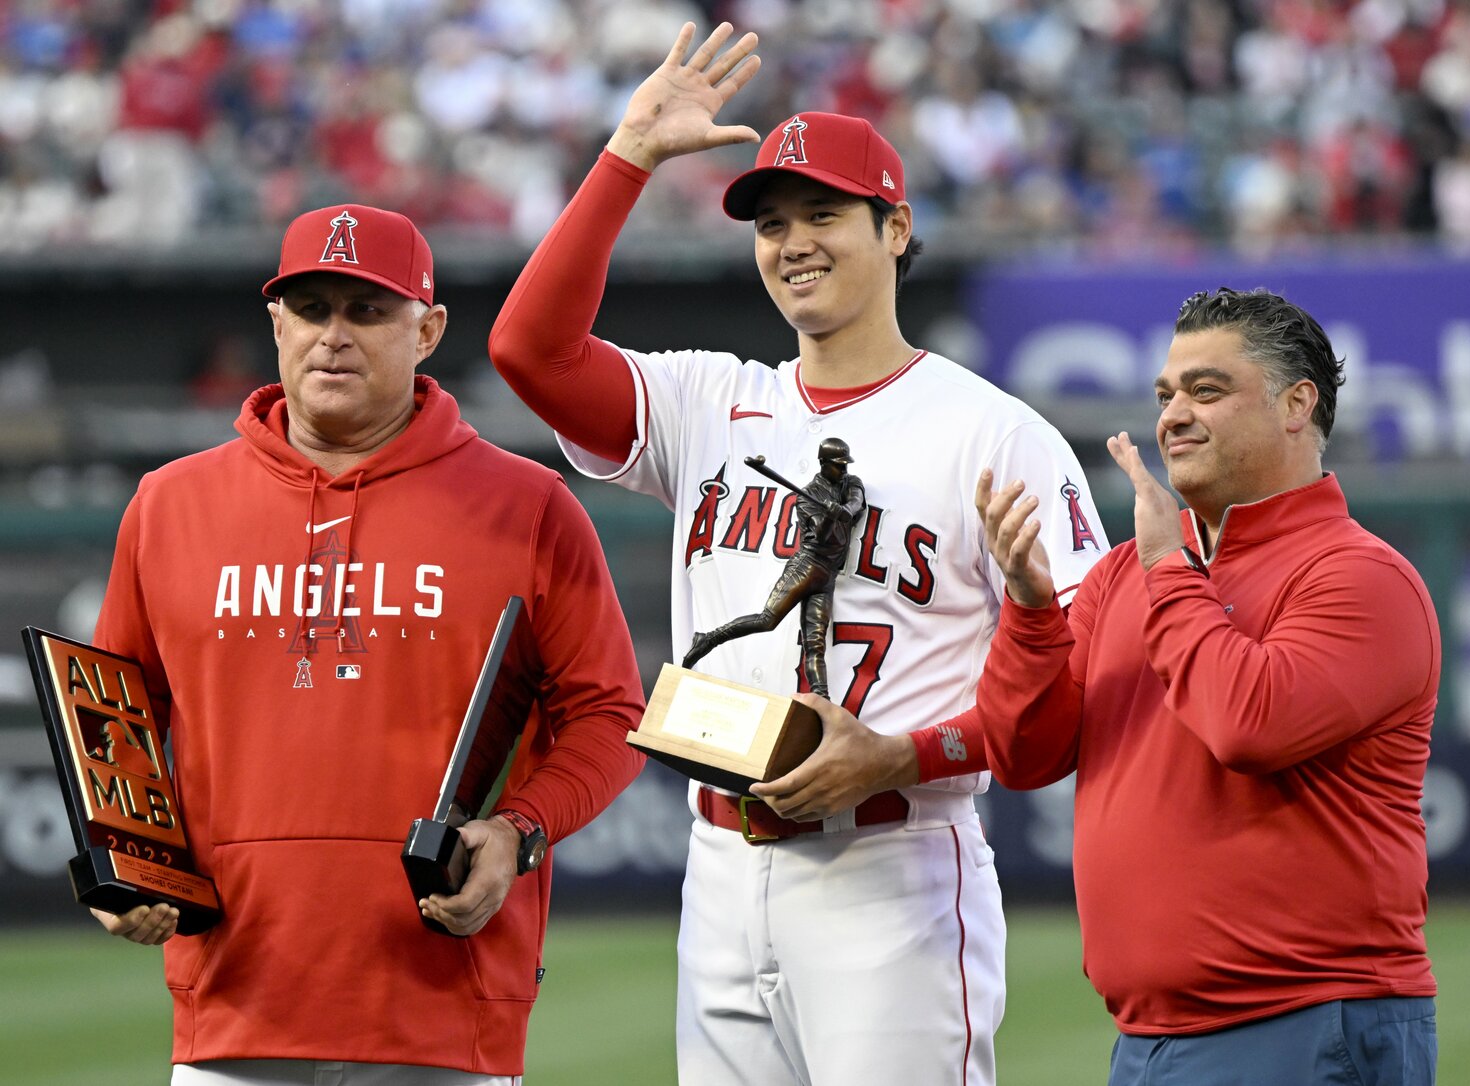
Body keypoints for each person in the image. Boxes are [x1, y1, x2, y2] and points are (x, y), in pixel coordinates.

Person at [488, 22, 1107, 1085]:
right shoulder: (712, 400)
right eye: (771, 224)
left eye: (824, 213)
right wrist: (627, 152)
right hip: (720, 862)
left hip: (895, 861)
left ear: (896, 227)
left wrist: (908, 754)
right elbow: (528, 350)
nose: (793, 243)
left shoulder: (993, 434)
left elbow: (1091, 676)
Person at [90, 202, 647, 1085]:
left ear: (427, 330)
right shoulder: (167, 505)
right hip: (235, 1000)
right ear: (276, 324)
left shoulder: (530, 505)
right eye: (311, 310)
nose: (334, 336)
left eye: (368, 311)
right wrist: (128, 859)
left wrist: (517, 832)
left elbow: (611, 714)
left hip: (443, 1001)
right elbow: (112, 715)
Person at [975, 286, 1440, 1085]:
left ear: (1298, 405)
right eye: (1165, 394)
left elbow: (1247, 723)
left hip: (1307, 1019)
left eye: (1207, 390)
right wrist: (1029, 612)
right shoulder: (1130, 571)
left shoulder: (1363, 578)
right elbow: (1024, 753)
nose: (1173, 414)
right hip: (1148, 1037)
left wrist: (1167, 568)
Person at [682, 438, 866, 697]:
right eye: (838, 465)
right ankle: (709, 638)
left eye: (845, 464)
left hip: (827, 576)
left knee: (815, 643)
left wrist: (844, 509)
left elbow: (857, 500)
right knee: (767, 620)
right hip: (807, 567)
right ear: (824, 464)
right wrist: (829, 517)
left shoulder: (849, 482)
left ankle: (821, 701)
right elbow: (825, 537)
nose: (844, 470)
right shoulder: (806, 497)